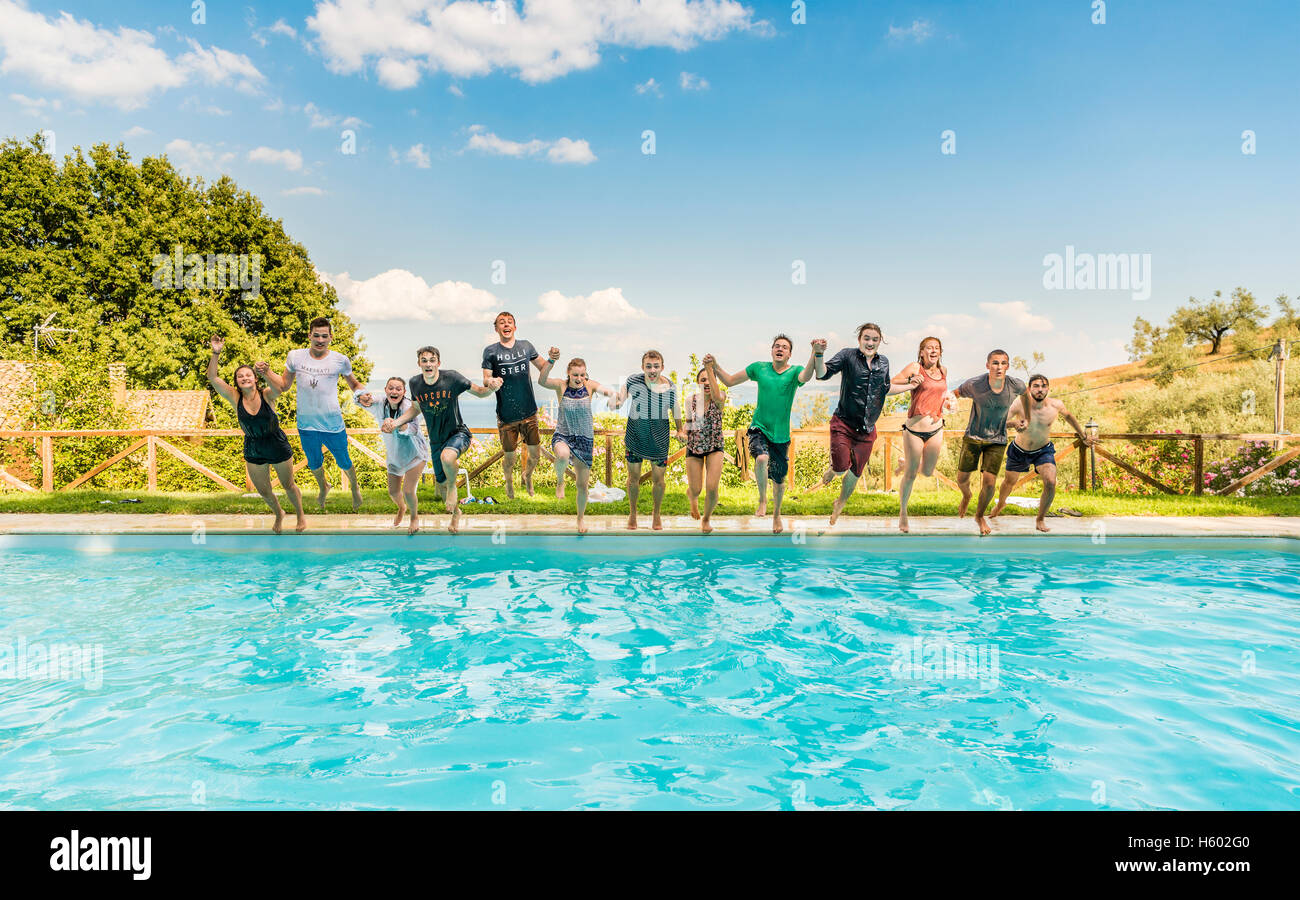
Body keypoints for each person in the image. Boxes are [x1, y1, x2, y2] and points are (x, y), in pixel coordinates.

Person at [705, 335, 822, 534]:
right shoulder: (759, 368)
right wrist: (715, 366)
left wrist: (814, 353)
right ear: (771, 350)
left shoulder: (795, 372)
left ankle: (776, 515)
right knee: (761, 458)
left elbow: (807, 376)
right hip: (759, 427)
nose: (780, 349)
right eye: (777, 346)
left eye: (784, 347)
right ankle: (762, 499)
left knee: (779, 481)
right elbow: (731, 381)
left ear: (789, 354)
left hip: (781, 435)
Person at [384, 346, 502, 533]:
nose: (428, 364)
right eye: (424, 360)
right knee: (442, 486)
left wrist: (492, 387)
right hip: (436, 440)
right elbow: (415, 409)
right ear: (419, 364)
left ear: (438, 363)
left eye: (432, 360)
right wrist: (395, 423)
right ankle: (456, 513)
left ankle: (454, 488)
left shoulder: (452, 378)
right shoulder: (415, 383)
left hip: (458, 433)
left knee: (447, 458)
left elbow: (480, 391)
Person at [812, 323, 919, 525]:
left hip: (867, 429)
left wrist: (909, 386)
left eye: (874, 339)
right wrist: (818, 355)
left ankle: (840, 503)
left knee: (854, 474)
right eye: (867, 338)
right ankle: (833, 470)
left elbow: (885, 389)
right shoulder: (847, 356)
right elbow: (822, 374)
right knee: (842, 468)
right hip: (843, 424)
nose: (870, 343)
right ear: (859, 339)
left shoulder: (884, 363)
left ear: (880, 342)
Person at [258, 317, 365, 512]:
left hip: (332, 424)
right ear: (309, 336)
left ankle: (355, 489)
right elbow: (284, 386)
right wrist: (267, 372)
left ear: (331, 337)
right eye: (316, 335)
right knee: (314, 463)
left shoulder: (340, 360)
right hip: (306, 424)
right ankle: (324, 487)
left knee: (344, 461)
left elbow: (355, 385)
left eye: (324, 336)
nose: (320, 340)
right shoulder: (295, 357)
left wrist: (363, 395)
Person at [207, 336, 306, 533]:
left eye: (248, 375)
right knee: (264, 490)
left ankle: (300, 515)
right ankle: (279, 514)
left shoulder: (267, 394)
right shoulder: (234, 397)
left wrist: (266, 372)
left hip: (276, 442)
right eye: (240, 376)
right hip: (253, 445)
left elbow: (281, 388)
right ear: (236, 381)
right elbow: (213, 378)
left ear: (255, 378)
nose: (244, 378)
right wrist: (216, 353)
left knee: (288, 485)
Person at [991, 374, 1098, 531]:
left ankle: (1040, 519)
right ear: (1029, 389)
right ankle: (1001, 503)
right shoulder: (1019, 403)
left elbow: (1069, 417)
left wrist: (1083, 436)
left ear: (1048, 388)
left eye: (1043, 386)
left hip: (1043, 451)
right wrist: (1013, 423)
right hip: (1019, 450)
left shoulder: (1056, 405)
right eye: (1036, 386)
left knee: (1050, 481)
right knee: (1009, 482)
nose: (1040, 390)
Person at [537, 347, 616, 534]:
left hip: (585, 440)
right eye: (575, 375)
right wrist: (550, 361)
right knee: (562, 455)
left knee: (582, 486)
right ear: (568, 374)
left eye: (582, 375)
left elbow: (608, 391)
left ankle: (580, 518)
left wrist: (615, 397)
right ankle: (560, 481)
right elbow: (541, 380)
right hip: (563, 435)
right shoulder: (561, 386)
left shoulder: (590, 386)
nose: (579, 379)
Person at [952, 349, 1026, 535]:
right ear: (987, 365)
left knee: (990, 482)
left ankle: (979, 515)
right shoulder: (975, 384)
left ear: (1007, 366)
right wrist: (949, 403)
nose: (999, 367)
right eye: (995, 363)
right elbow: (955, 393)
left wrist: (1026, 418)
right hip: (974, 437)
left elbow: (1027, 396)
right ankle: (967, 495)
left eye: (1003, 363)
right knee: (962, 479)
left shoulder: (1015, 385)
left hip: (998, 440)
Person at [611, 350, 685, 531]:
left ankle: (656, 513)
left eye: (656, 366)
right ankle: (633, 513)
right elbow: (621, 398)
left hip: (659, 440)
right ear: (643, 367)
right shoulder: (632, 381)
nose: (652, 370)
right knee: (633, 479)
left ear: (662, 368)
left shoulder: (670, 387)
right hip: (635, 437)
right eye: (649, 366)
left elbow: (675, 409)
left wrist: (680, 429)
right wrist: (616, 402)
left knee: (659, 481)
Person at [891, 336, 957, 533]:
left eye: (937, 348)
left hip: (936, 428)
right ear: (921, 352)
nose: (933, 351)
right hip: (914, 430)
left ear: (940, 352)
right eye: (929, 348)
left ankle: (905, 463)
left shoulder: (943, 371)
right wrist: (910, 381)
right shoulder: (914, 367)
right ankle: (903, 513)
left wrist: (947, 403)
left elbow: (940, 395)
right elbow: (892, 382)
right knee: (911, 475)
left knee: (927, 472)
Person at [482, 312, 547, 498]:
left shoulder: (526, 346)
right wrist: (491, 382)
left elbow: (543, 366)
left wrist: (552, 360)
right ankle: (509, 482)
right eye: (502, 322)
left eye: (509, 322)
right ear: (496, 329)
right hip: (506, 415)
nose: (506, 324)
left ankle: (527, 475)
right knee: (510, 458)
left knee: (535, 455)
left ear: (515, 327)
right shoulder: (491, 351)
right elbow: (486, 379)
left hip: (529, 412)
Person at [356, 377, 430, 533]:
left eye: (398, 389)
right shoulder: (380, 403)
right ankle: (402, 508)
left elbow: (414, 429)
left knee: (408, 491)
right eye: (391, 388)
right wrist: (361, 396)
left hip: (415, 454)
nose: (394, 391)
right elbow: (359, 401)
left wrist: (397, 425)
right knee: (393, 492)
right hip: (395, 455)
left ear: (404, 392)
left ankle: (414, 517)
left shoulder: (408, 406)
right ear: (385, 390)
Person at [684, 365, 727, 534]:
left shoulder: (720, 397)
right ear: (698, 383)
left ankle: (706, 519)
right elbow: (689, 422)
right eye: (703, 380)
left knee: (711, 486)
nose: (707, 382)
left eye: (710, 379)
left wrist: (711, 368)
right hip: (694, 445)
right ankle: (692, 497)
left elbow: (717, 396)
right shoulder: (690, 400)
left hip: (715, 446)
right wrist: (682, 432)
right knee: (696, 488)